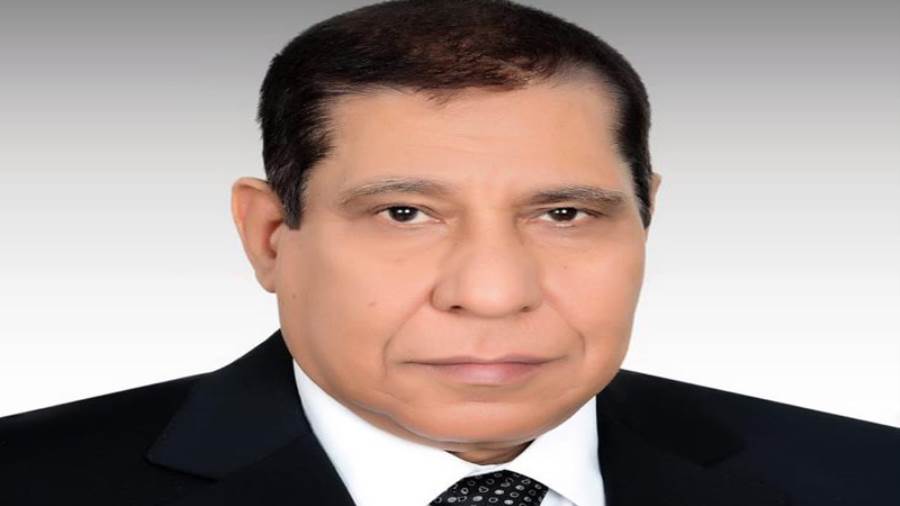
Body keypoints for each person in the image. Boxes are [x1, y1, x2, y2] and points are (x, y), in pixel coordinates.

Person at [1, 1, 897, 504]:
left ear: (645, 218)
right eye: (404, 213)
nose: (494, 293)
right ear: (270, 237)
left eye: (564, 213)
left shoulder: (865, 479)